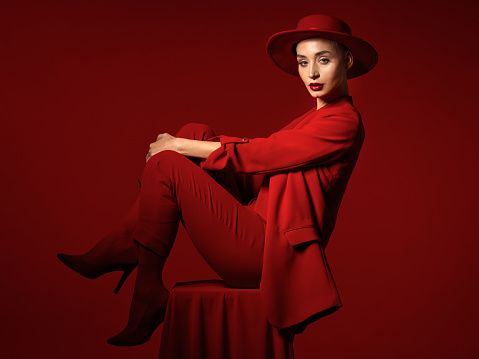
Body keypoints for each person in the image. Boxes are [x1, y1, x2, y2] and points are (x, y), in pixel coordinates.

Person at [57, 14, 378, 347]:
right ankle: (129, 247)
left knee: (171, 160)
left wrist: (178, 146)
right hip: (256, 226)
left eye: (323, 60)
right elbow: (259, 178)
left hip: (270, 253)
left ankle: (145, 283)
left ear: (347, 60)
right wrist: (191, 143)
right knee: (196, 132)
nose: (311, 72)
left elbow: (266, 154)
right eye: (303, 62)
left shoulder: (344, 122)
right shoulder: (311, 119)